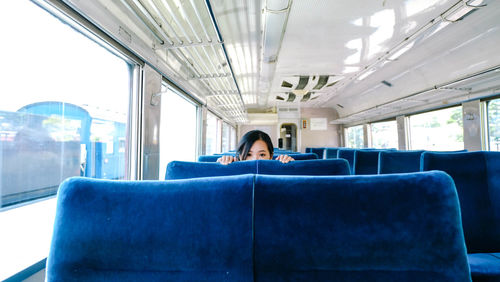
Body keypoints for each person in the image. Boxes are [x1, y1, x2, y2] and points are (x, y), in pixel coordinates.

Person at [217, 130, 294, 164]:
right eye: (248, 154)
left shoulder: (279, 171)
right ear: (240, 156)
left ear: (270, 156)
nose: (255, 160)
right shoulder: (232, 170)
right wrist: (221, 166)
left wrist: (291, 166)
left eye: (262, 155)